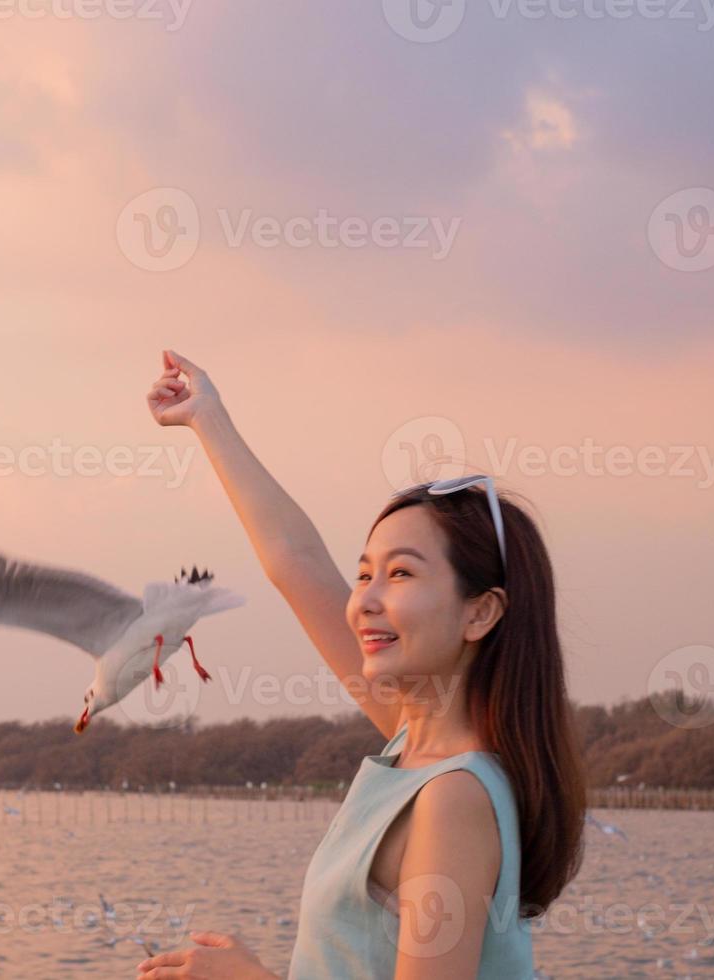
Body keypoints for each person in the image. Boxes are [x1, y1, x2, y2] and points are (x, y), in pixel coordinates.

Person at [135, 351, 586, 980]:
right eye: (364, 573)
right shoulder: (413, 741)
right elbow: (294, 559)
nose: (364, 600)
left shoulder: (452, 797)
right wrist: (208, 420)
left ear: (480, 614)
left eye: (401, 573)